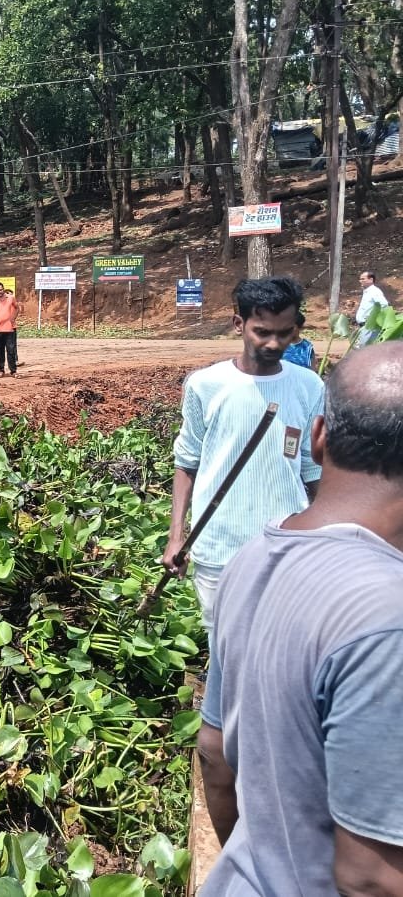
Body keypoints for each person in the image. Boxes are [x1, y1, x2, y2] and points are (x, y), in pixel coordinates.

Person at [198, 342, 403, 896]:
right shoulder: (388, 616)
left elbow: (215, 755)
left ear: (317, 436)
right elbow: (372, 879)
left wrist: (265, 868)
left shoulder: (251, 559)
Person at [163, 277, 324, 631]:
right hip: (220, 548)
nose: (274, 343)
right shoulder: (206, 385)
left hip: (287, 547)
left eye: (284, 333)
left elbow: (312, 468)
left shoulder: (309, 385)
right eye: (262, 332)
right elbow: (187, 463)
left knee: (283, 646)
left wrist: (331, 534)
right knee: (224, 646)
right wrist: (176, 537)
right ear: (239, 324)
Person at [354, 270, 389, 345]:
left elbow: (384, 305)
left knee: (366, 348)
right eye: (360, 279)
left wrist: (374, 319)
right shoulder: (367, 291)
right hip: (364, 326)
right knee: (363, 347)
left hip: (370, 326)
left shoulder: (374, 291)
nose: (360, 281)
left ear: (371, 280)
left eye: (363, 279)